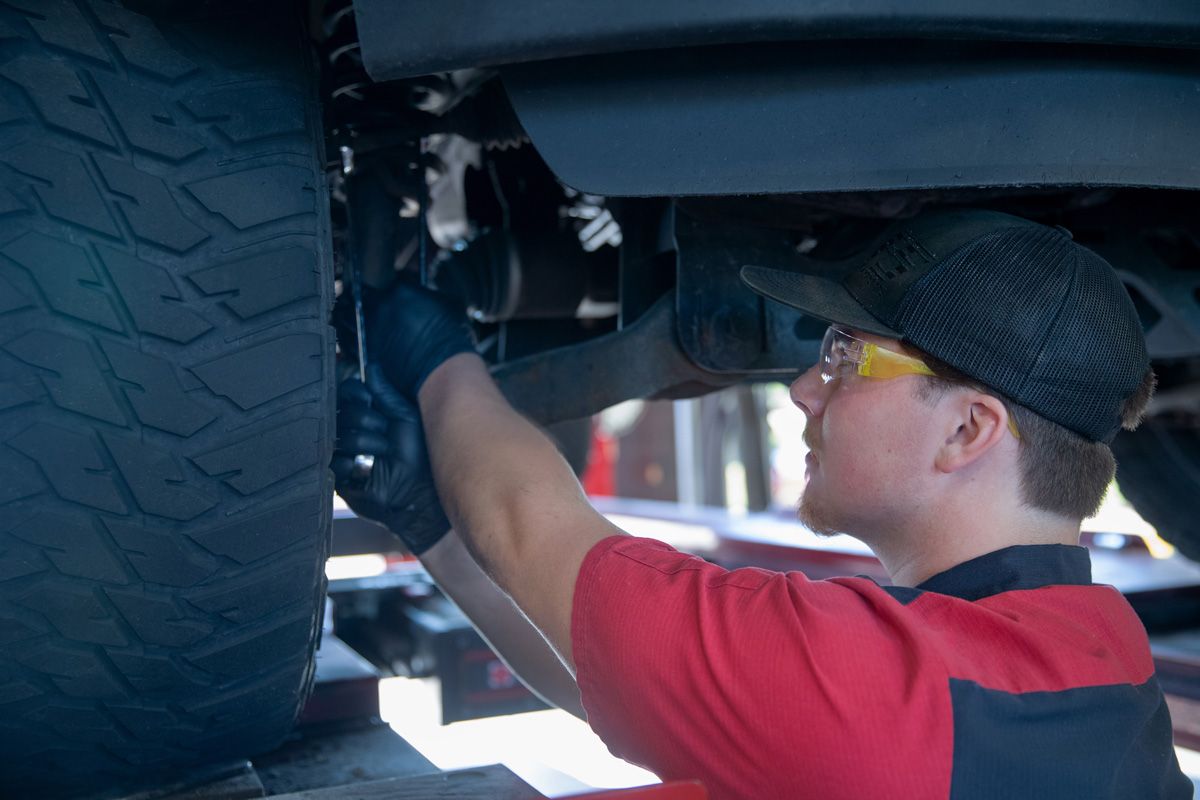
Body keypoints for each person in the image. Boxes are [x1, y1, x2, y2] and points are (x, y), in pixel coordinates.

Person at [333, 208, 1192, 799]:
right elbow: (623, 687)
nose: (804, 390)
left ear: (968, 429)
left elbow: (523, 527)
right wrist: (432, 524)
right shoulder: (1108, 666)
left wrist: (442, 359)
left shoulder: (879, 688)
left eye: (846, 357)